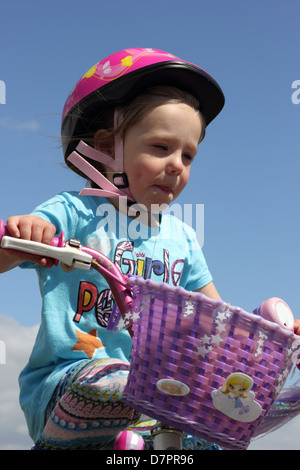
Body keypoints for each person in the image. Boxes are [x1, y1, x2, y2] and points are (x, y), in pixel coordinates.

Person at [1, 47, 294, 451]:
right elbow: (6, 255)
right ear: (108, 147)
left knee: (215, 426)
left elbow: (218, 319)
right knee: (112, 382)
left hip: (159, 396)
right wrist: (25, 236)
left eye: (188, 155)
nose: (177, 165)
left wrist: (266, 342)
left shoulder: (182, 238)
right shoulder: (72, 211)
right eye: (161, 148)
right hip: (72, 377)